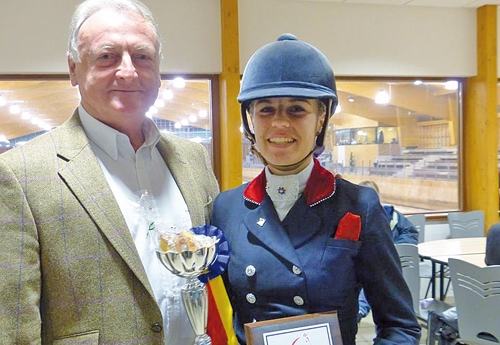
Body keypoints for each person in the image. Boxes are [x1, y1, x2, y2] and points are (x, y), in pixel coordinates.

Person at [0, 1, 223, 344]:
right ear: (74, 68)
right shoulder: (21, 174)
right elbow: (14, 327)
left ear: (159, 69)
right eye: (107, 56)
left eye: (143, 56)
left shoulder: (192, 159)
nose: (128, 71)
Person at [211, 33, 421, 345]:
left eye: (296, 109)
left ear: (321, 117)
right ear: (251, 119)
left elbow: (400, 326)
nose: (279, 123)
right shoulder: (226, 208)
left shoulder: (359, 204)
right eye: (266, 110)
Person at [356, 180, 419, 322]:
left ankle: (361, 308)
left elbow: (411, 232)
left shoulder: (393, 216)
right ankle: (359, 309)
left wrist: (396, 248)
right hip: (364, 261)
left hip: (388, 263)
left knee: (377, 281)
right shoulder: (353, 216)